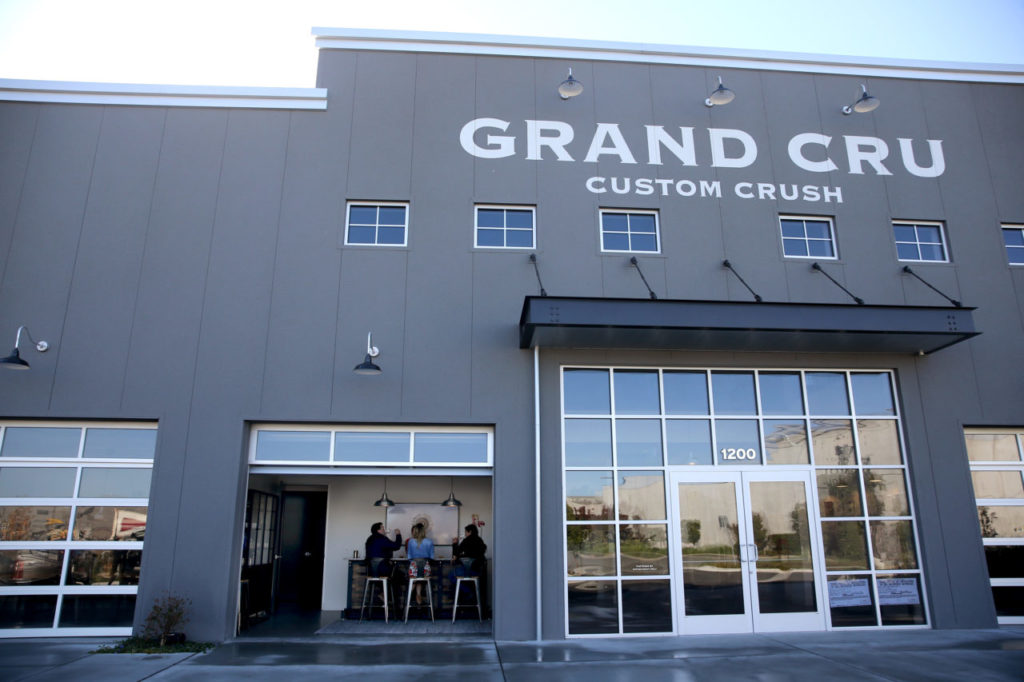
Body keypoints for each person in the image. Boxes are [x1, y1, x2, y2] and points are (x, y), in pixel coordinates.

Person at [406, 523, 434, 605]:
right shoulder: (429, 541)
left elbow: (409, 556)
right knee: (421, 578)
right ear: (423, 531)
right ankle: (418, 595)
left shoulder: (410, 541)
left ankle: (408, 600)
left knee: (414, 579)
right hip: (425, 569)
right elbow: (432, 557)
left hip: (414, 568)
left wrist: (415, 562)